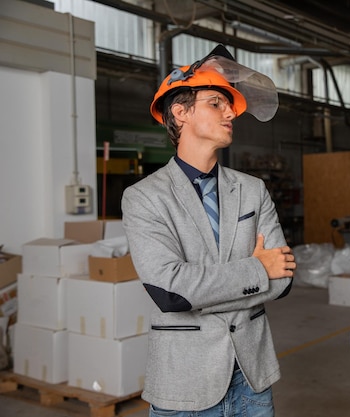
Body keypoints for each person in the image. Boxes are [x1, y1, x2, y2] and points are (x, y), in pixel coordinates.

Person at [121, 45, 295, 417]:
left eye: (228, 105)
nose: (231, 112)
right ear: (180, 112)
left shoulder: (252, 189)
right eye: (216, 103)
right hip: (186, 383)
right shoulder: (143, 198)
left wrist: (203, 289)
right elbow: (171, 293)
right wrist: (256, 269)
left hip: (252, 380)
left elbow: (284, 280)